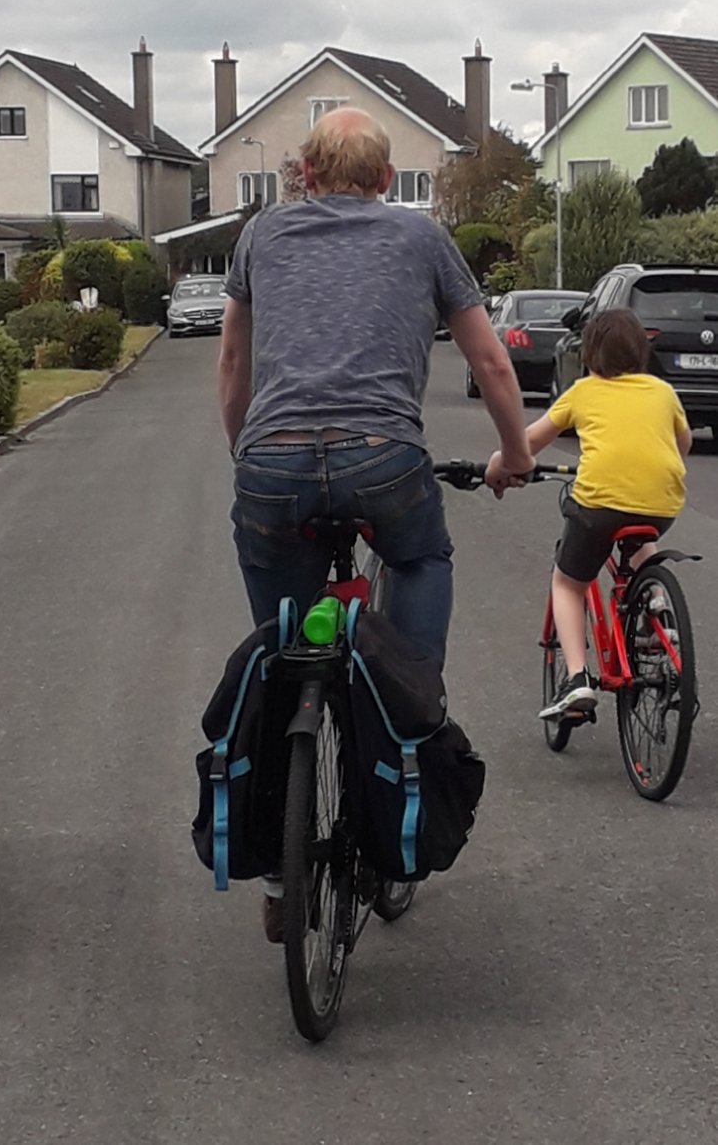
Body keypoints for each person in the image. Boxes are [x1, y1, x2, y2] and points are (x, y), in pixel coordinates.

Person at [217, 107, 535, 942]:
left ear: (307, 175)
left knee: (285, 651)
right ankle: (411, 700)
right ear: (389, 180)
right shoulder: (423, 238)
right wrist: (514, 454)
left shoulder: (261, 236)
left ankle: (283, 868)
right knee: (422, 561)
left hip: (273, 466)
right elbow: (492, 360)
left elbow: (233, 364)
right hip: (383, 458)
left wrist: (248, 460)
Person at [488, 308, 690, 720]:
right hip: (662, 502)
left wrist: (500, 464)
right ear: (641, 351)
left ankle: (577, 679)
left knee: (568, 583)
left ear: (589, 354)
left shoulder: (583, 391)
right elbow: (681, 444)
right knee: (639, 533)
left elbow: (528, 444)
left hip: (598, 504)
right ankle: (657, 607)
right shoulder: (662, 392)